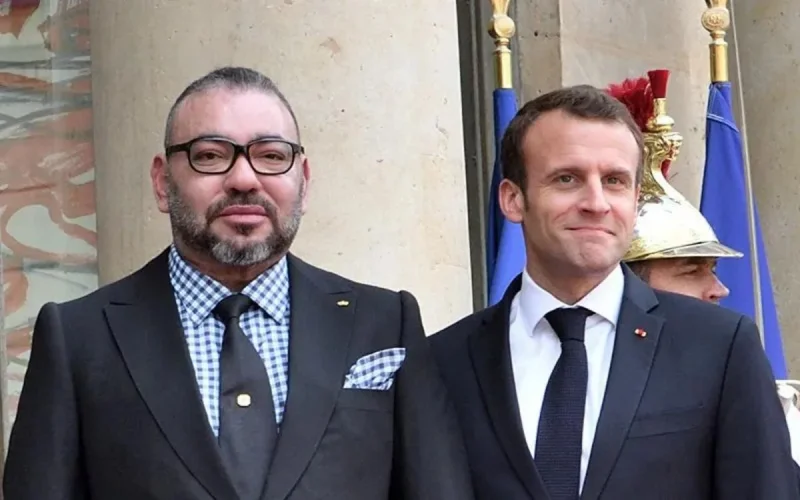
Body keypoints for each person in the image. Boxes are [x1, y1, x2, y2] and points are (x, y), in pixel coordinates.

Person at [3, 66, 474, 500]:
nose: (244, 178)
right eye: (210, 156)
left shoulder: (385, 324)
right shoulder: (78, 338)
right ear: (163, 182)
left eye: (272, 156)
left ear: (304, 181)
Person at [429, 75, 798, 499]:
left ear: (635, 200)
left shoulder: (720, 347)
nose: (596, 203)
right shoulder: (442, 362)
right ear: (513, 199)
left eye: (615, 181)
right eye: (566, 179)